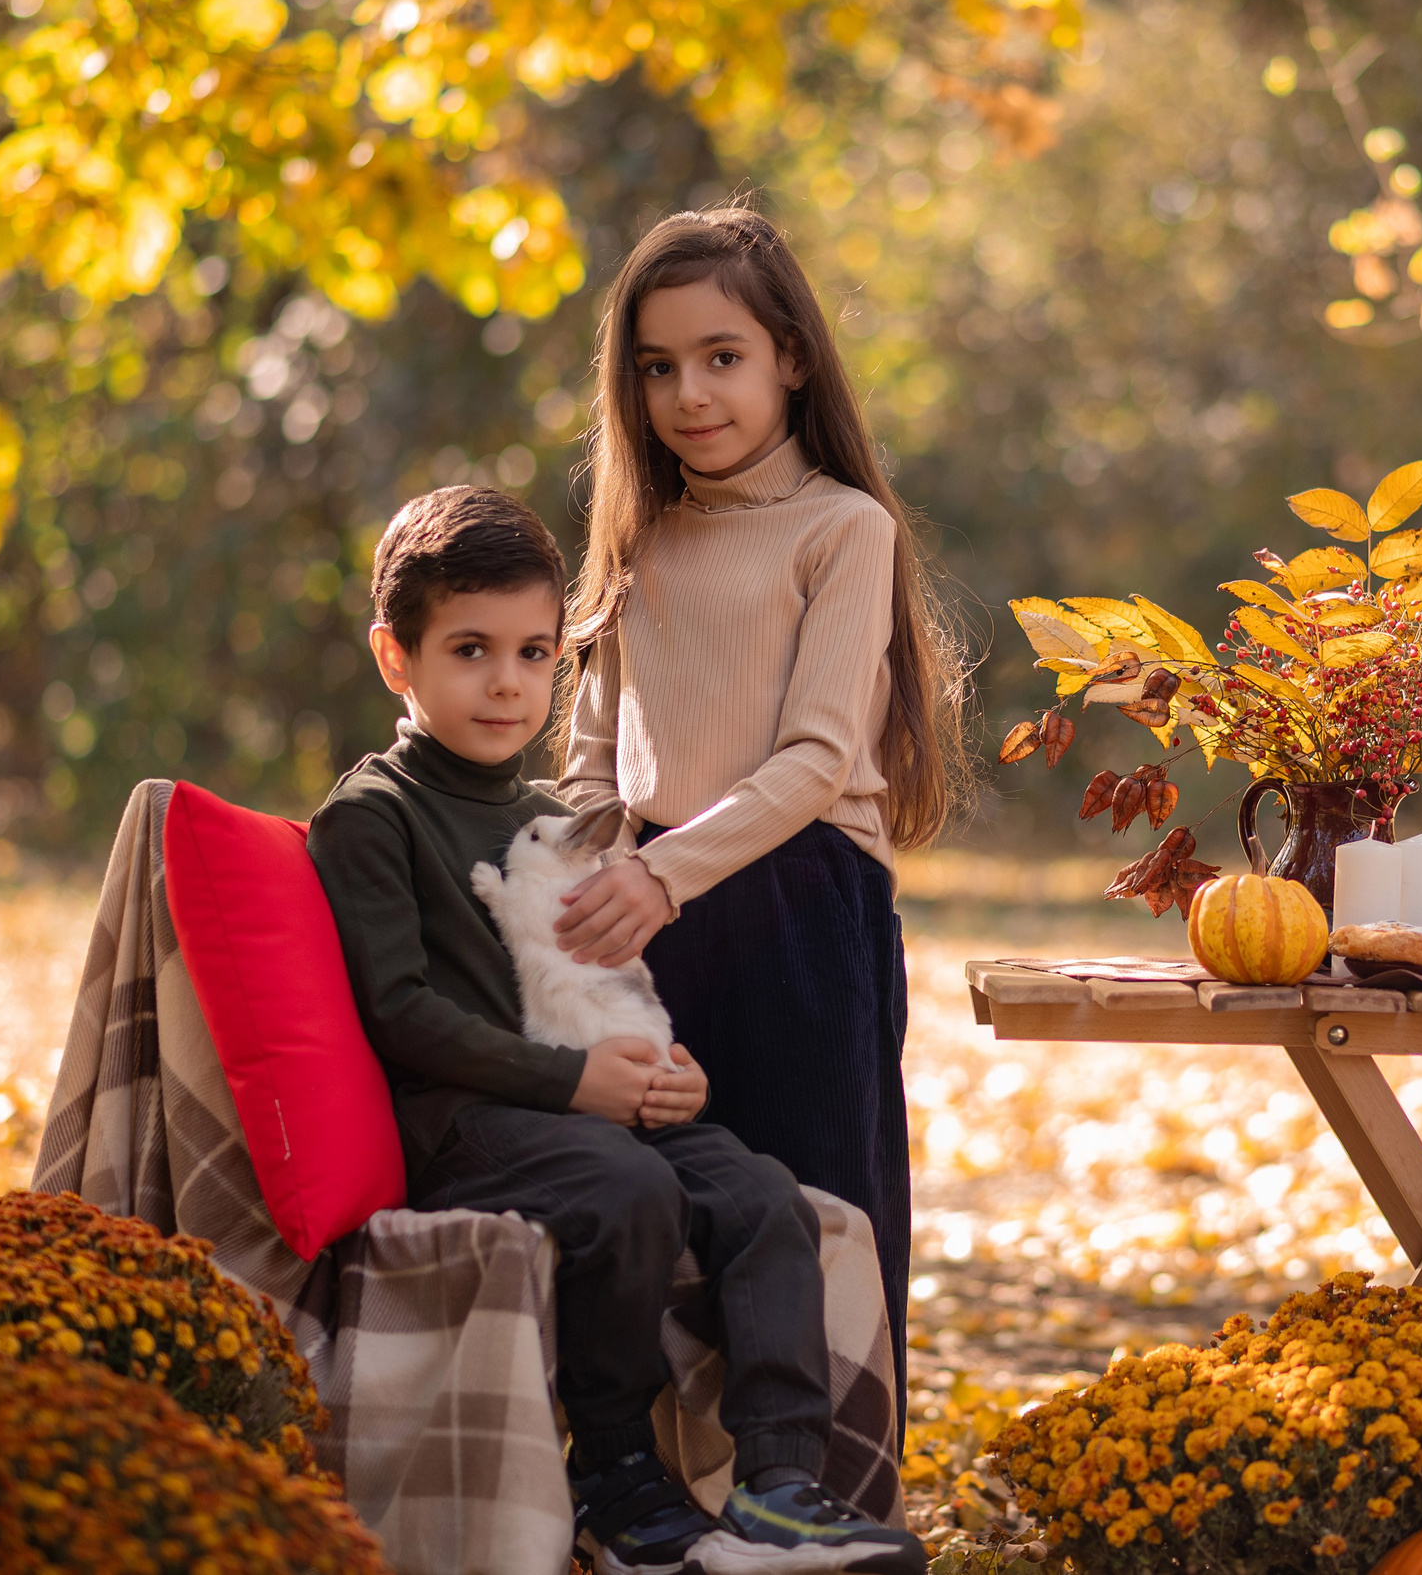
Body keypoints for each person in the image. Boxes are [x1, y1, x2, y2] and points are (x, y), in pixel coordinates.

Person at [306, 485, 922, 1575]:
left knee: (760, 1192)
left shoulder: (554, 815)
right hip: (470, 1118)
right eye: (469, 649)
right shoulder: (376, 813)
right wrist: (573, 1082)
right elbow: (401, 1013)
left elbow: (606, 979)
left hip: (591, 1096)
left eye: (535, 650)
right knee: (628, 1193)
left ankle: (780, 1483)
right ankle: (616, 1473)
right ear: (396, 659)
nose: (507, 681)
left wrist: (665, 1065)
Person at [554, 207, 968, 1392]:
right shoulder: (637, 539)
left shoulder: (844, 529)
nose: (690, 392)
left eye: (721, 357)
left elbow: (813, 758)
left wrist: (660, 871)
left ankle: (832, 1492)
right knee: (671, 1200)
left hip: (799, 908)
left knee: (814, 1200)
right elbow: (592, 752)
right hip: (648, 914)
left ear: (790, 355)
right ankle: (676, 1494)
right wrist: (594, 872)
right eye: (657, 367)